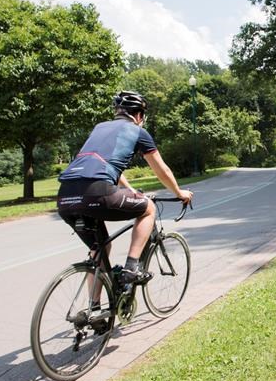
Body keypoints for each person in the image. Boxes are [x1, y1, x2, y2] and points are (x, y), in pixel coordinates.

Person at [57, 91, 193, 289]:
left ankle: (94, 307)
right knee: (149, 209)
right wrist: (179, 193)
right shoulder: (138, 132)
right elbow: (161, 170)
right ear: (139, 115)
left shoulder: (99, 128)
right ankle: (131, 268)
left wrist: (129, 189)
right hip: (98, 192)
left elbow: (100, 163)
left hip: (65, 196)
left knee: (99, 250)